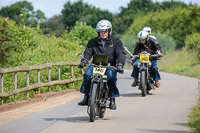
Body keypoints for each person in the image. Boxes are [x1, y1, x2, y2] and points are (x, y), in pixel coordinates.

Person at [78, 19, 126, 110]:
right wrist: (84, 61)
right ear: (98, 32)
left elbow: (120, 53)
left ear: (109, 31)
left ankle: (112, 99)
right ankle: (86, 96)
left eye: (105, 31)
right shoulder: (92, 42)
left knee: (111, 77)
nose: (103, 33)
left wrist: (120, 64)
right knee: (87, 74)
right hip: (95, 65)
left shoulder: (116, 41)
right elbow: (88, 52)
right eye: (101, 31)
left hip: (109, 65)